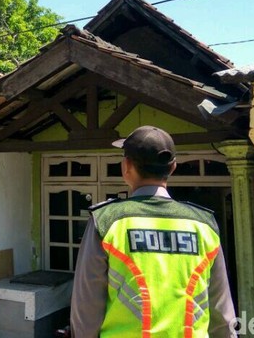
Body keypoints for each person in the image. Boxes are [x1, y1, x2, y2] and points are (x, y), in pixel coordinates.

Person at [71, 126, 235, 337]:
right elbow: (222, 314)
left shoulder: (107, 222)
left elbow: (86, 310)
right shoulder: (204, 225)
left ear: (126, 167)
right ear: (173, 167)